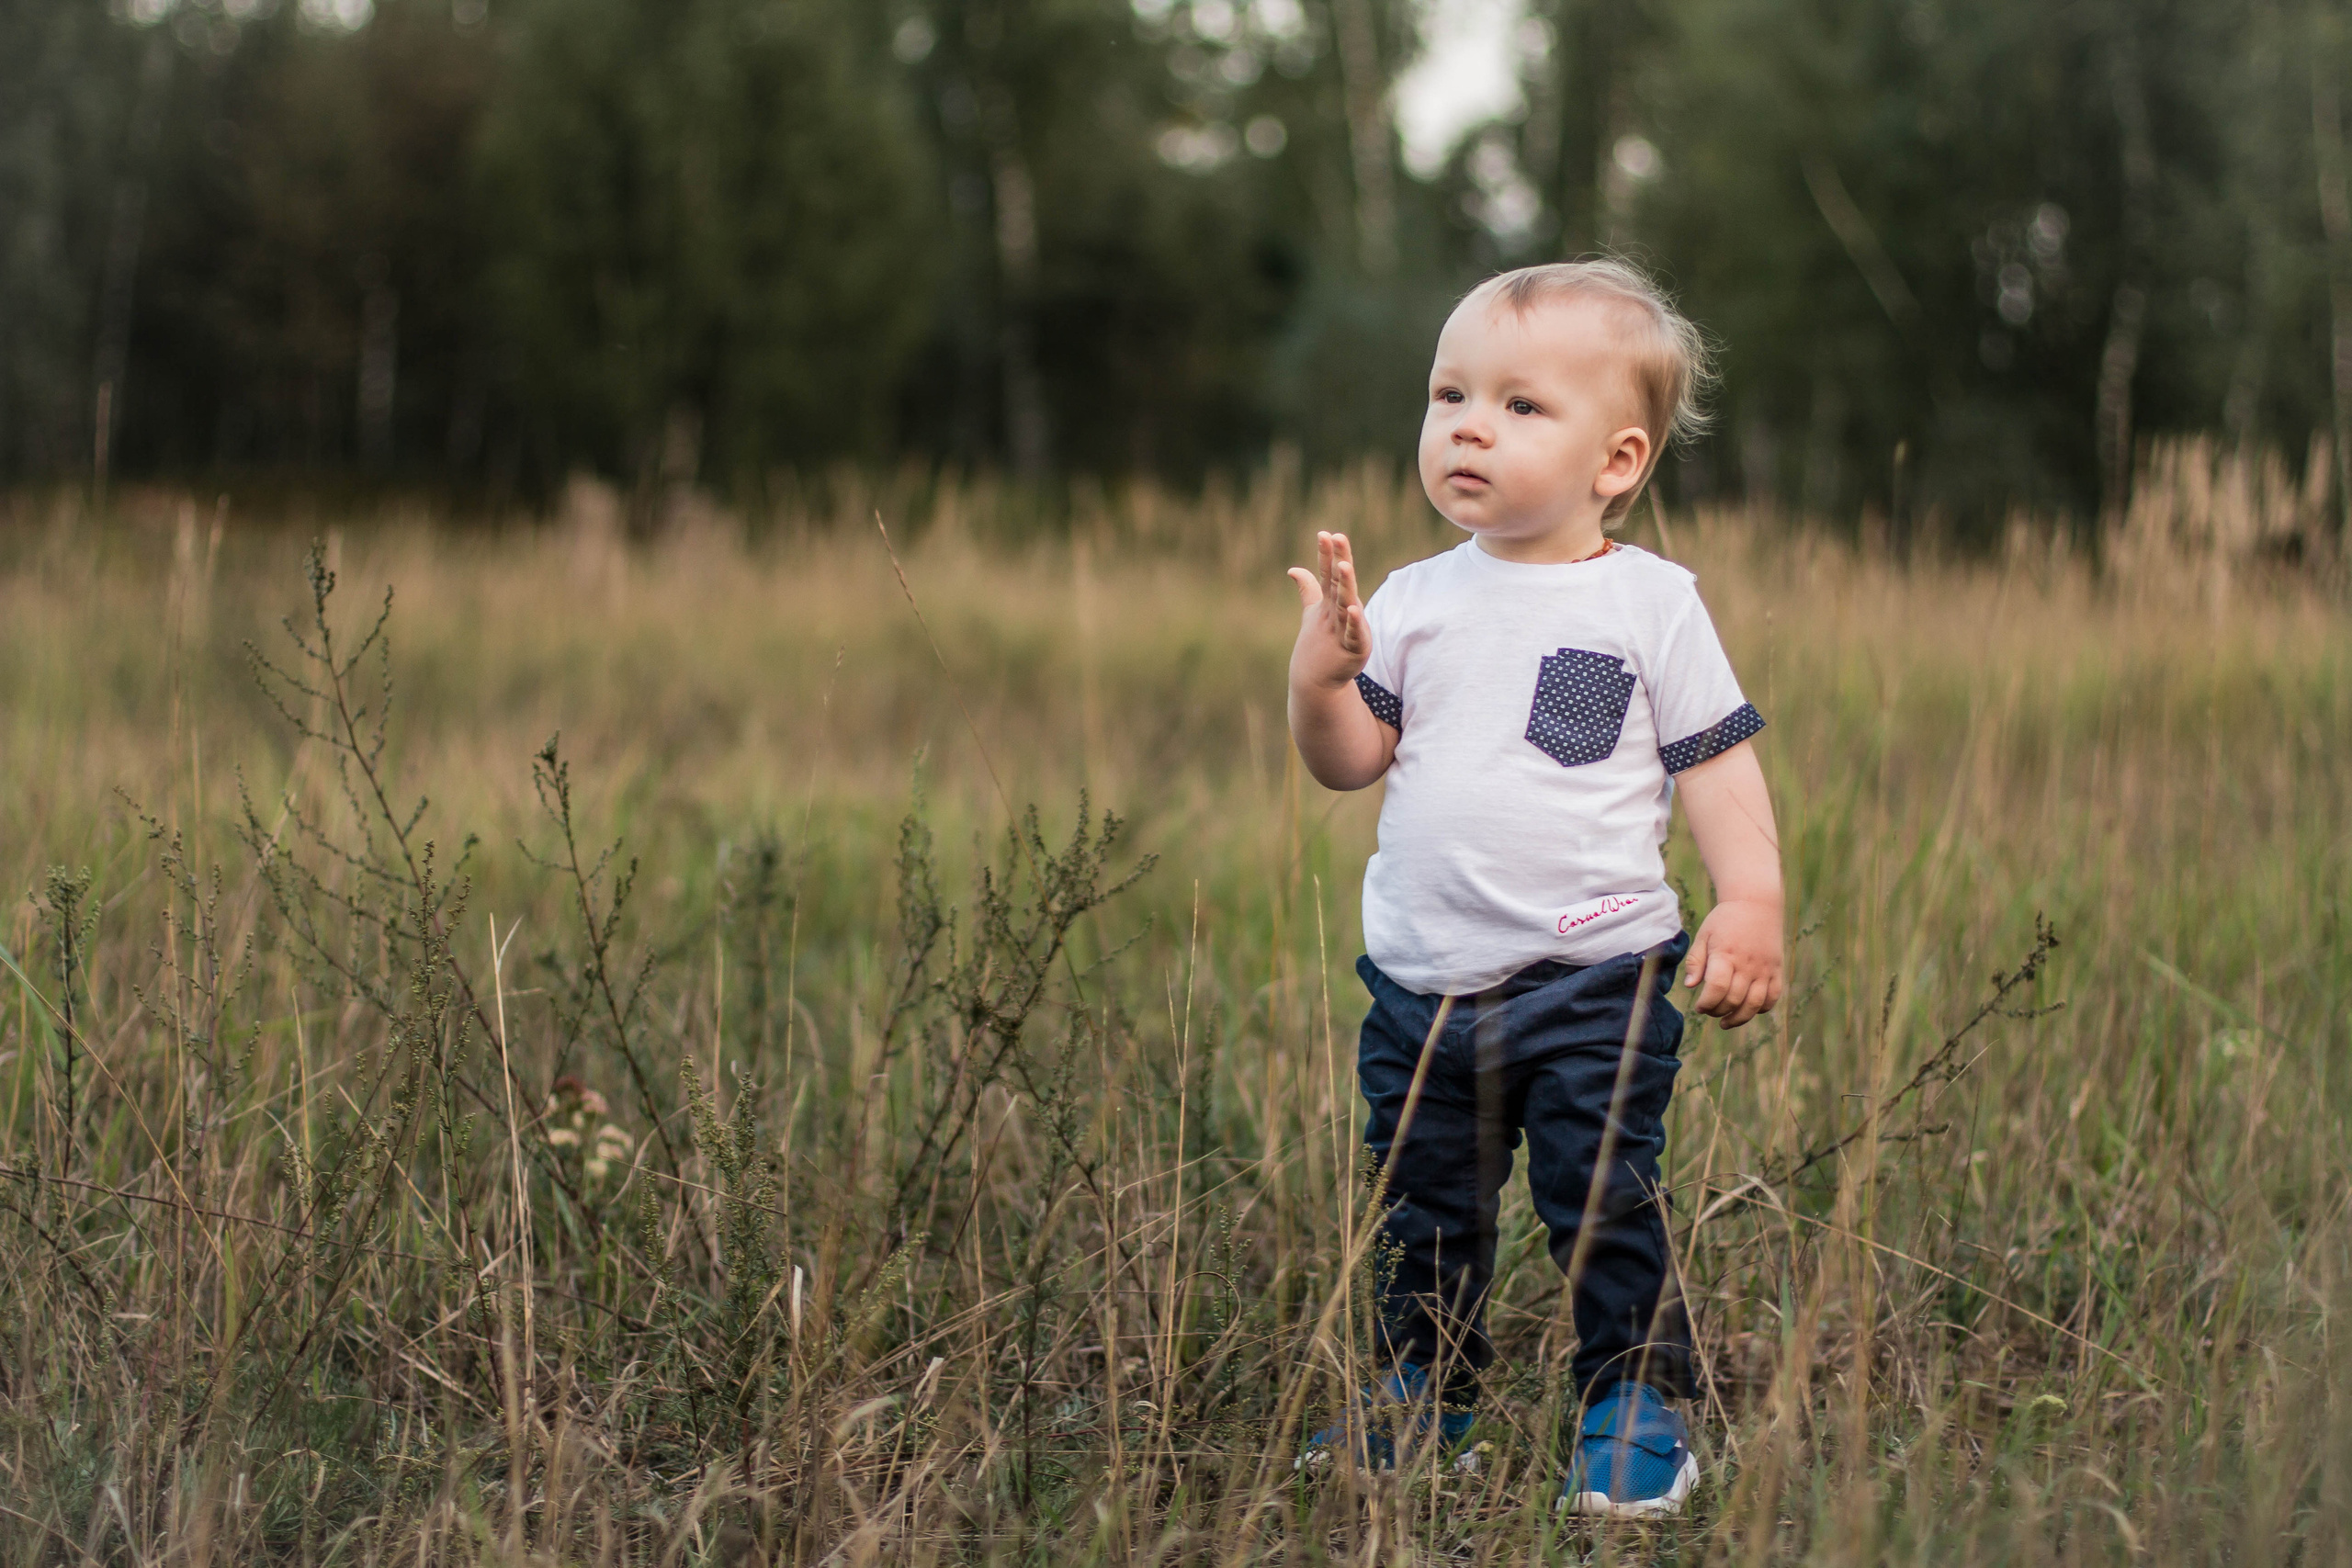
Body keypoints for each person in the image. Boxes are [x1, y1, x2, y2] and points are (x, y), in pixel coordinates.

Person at [1285, 259, 1784, 1516]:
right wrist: (1319, 681)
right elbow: (1351, 766)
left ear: (1616, 461)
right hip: (1422, 986)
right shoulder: (1410, 603)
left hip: (1595, 974)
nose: (1467, 424)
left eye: (1519, 406)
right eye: (1450, 392)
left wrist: (1752, 902)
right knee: (1425, 1211)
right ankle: (1429, 1390)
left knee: (1603, 1196)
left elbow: (1716, 766)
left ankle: (1633, 1400)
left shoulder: (1649, 605)